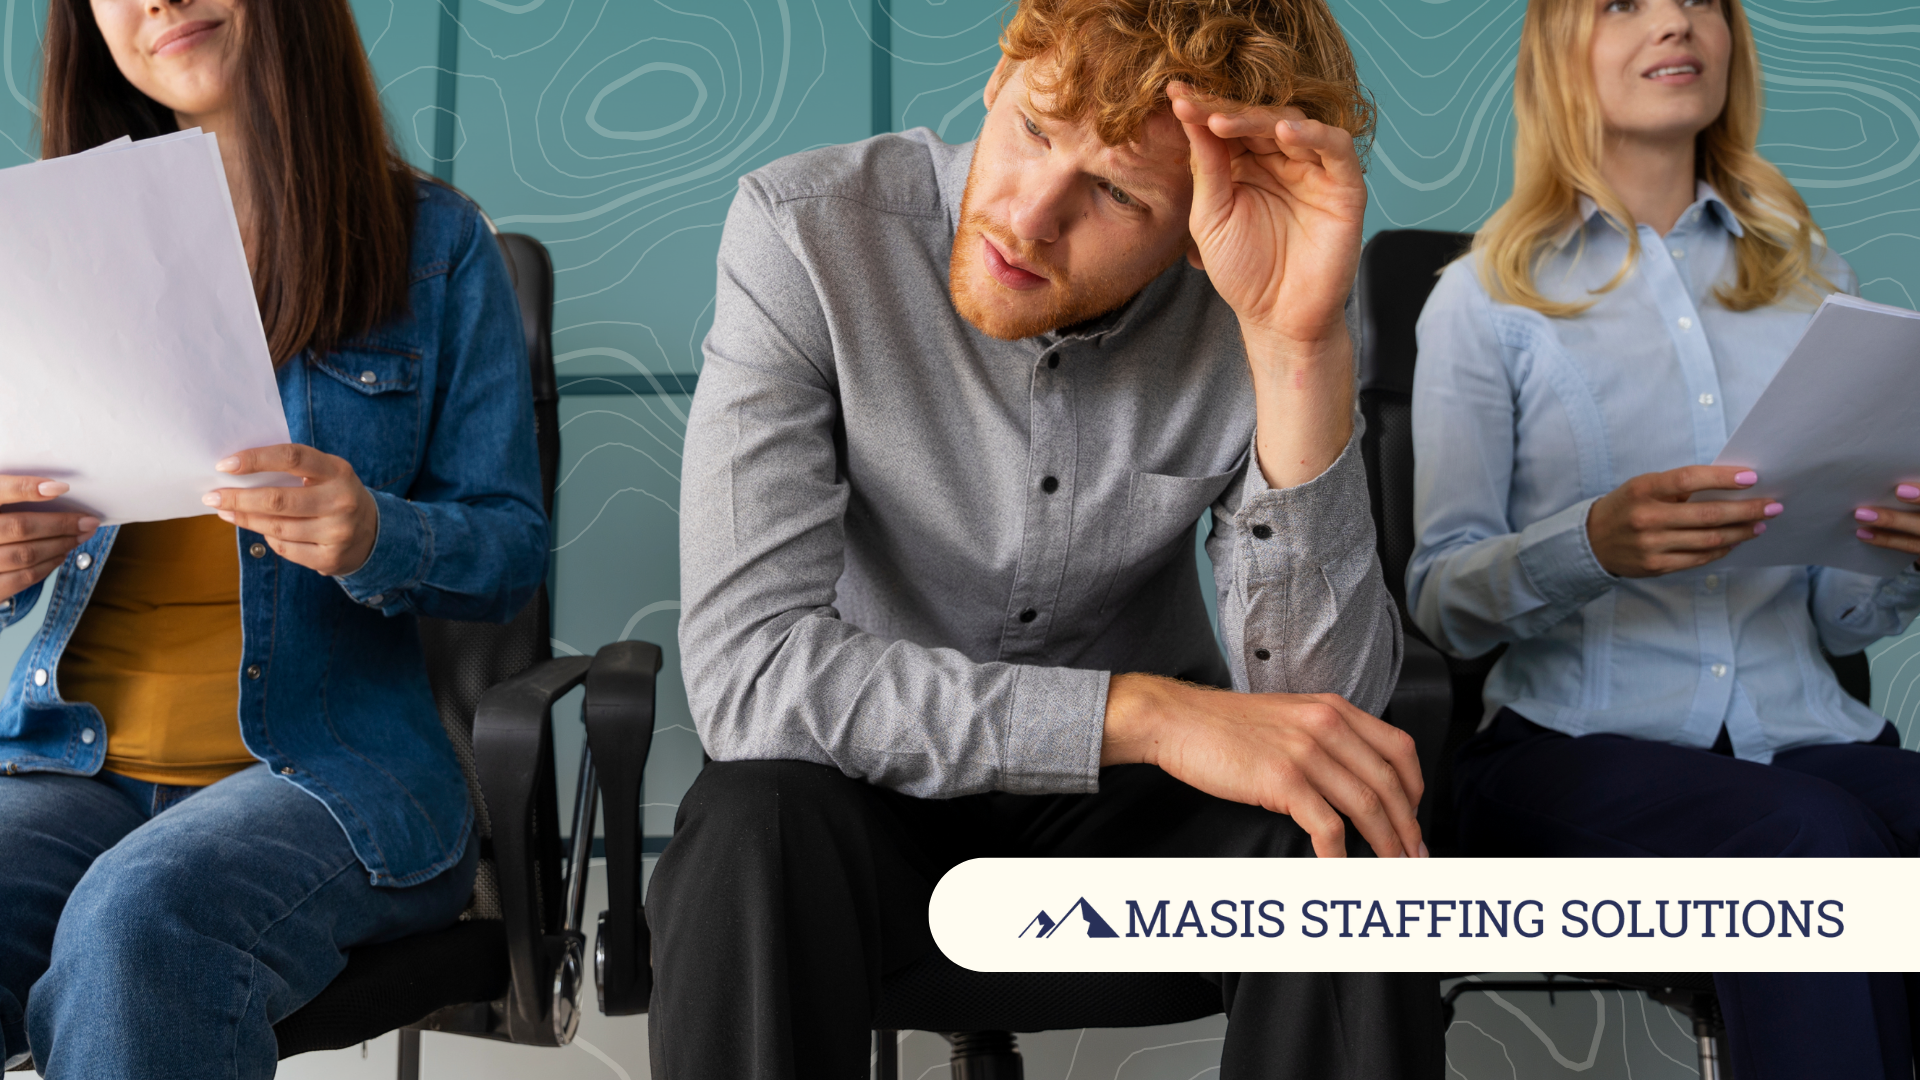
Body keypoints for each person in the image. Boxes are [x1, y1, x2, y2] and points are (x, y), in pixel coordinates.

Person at [660, 0, 1445, 1076]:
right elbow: (751, 680)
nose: (1028, 217)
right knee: (754, 821)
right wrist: (1150, 714)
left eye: (1117, 191)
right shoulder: (806, 231)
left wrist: (1293, 347)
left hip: (1120, 844)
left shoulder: (1250, 288)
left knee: (1333, 824)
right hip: (862, 811)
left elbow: (1325, 719)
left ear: (1194, 224)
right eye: (1032, 129)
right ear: (996, 77)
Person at [0, 1, 547, 1076]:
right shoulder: (50, 257)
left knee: (138, 923)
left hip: (329, 779)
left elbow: (509, 551)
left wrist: (377, 534)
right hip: (64, 764)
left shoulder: (433, 248)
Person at [1410, 0, 1920, 1074]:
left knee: (1833, 821)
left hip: (1803, 735)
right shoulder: (1483, 300)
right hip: (1568, 753)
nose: (1676, 21)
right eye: (1623, 4)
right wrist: (1592, 543)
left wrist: (1899, 547)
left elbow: (1839, 609)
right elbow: (1441, 600)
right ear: (1562, 51)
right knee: (1812, 847)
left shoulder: (1812, 284)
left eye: (1700, 1)